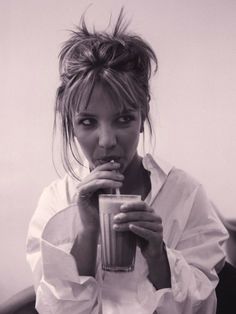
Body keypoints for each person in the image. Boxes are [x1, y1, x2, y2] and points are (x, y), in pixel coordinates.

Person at [26, 9, 228, 314]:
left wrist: (158, 255)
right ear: (71, 124)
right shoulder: (57, 201)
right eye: (88, 122)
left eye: (123, 119)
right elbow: (54, 308)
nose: (106, 141)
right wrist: (87, 231)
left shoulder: (185, 194)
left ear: (142, 117)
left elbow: (203, 306)